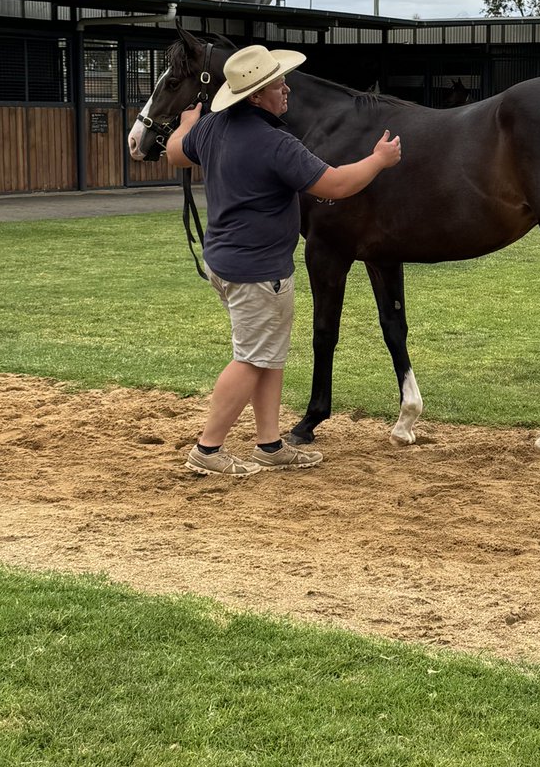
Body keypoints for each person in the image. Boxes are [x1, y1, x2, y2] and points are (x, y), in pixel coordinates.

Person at [165, 44, 401, 476]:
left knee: (268, 356)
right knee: (252, 359)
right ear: (256, 96)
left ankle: (270, 445)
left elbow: (175, 151)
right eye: (277, 84)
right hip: (257, 273)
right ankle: (208, 449)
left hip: (228, 263)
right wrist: (378, 160)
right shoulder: (276, 144)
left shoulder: (213, 127)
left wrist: (185, 124)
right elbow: (335, 184)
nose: (286, 89)